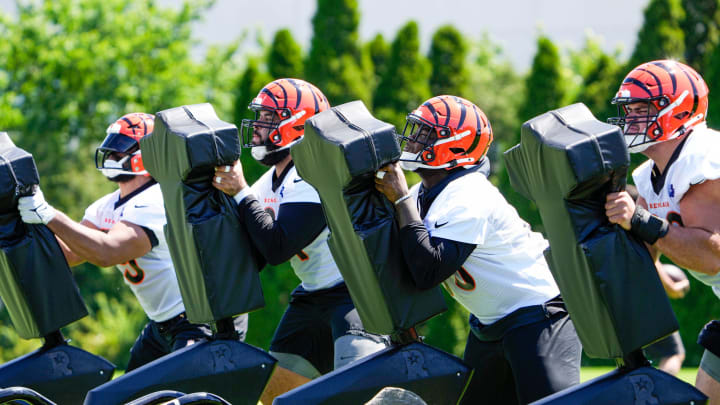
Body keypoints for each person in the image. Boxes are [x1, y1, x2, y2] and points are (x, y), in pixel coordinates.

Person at [374, 95, 581, 405]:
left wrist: (401, 201)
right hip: (488, 324)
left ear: (454, 145)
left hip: (539, 316)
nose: (413, 139)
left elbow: (428, 269)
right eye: (416, 130)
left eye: (426, 133)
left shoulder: (470, 192)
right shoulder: (421, 193)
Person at [17, 113, 247, 372]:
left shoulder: (158, 198)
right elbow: (68, 254)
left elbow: (107, 253)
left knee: (185, 397)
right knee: (125, 398)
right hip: (162, 324)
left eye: (121, 145)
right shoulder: (106, 205)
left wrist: (48, 214)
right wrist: (21, 221)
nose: (111, 152)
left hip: (202, 320)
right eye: (111, 142)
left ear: (148, 155)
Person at [211, 78, 387, 402]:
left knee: (356, 393)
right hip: (312, 295)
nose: (258, 126)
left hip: (355, 292)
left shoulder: (314, 172)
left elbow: (278, 246)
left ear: (296, 123)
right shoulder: (273, 179)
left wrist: (240, 192)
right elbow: (256, 254)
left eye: (267, 117)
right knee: (276, 392)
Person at [604, 60, 720, 400]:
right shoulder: (646, 175)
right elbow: (654, 247)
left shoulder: (703, 158)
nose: (630, 119)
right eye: (629, 109)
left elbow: (712, 255)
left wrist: (638, 220)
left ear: (678, 110)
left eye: (641, 109)